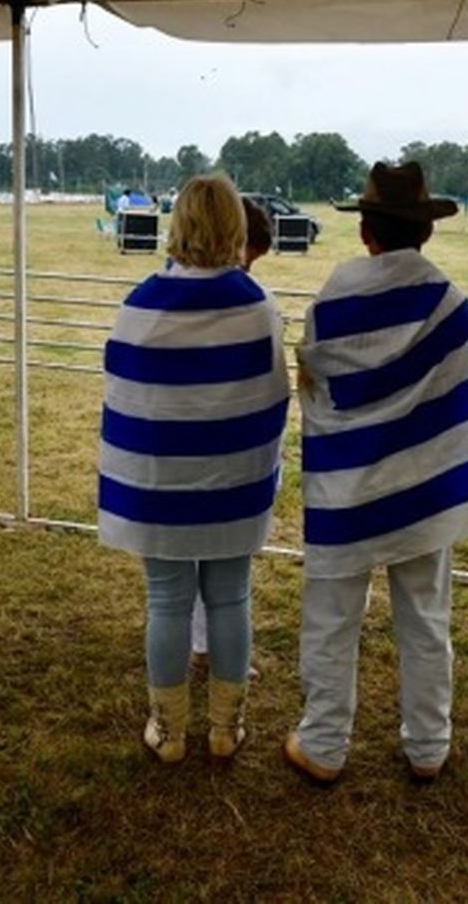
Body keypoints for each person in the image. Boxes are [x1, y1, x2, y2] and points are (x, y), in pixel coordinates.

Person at [285, 161, 468, 784]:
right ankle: (429, 746)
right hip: (425, 489)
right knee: (426, 615)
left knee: (331, 616)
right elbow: (457, 399)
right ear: (426, 232)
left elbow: (318, 381)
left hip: (348, 488)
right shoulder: (450, 304)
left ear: (366, 232)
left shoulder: (334, 301)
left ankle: (324, 745)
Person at [99, 174, 290, 763]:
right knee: (231, 598)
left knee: (166, 601)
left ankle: (170, 732)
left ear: (177, 224)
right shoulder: (257, 307)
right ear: (235, 226)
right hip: (233, 486)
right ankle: (226, 730)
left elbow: (128, 399)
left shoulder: (141, 305)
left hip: (160, 489)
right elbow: (273, 398)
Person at [189, 195, 277, 668]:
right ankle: (204, 648)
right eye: (249, 258)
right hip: (213, 453)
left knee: (197, 573)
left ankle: (202, 645)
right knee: (219, 578)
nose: (249, 271)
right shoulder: (245, 304)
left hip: (200, 453)